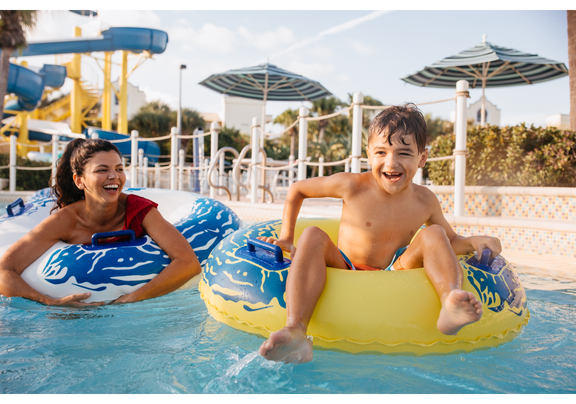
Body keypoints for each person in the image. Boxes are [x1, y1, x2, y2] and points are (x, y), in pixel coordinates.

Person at [257, 104, 502, 364]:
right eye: (381, 152)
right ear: (369, 155)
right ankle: (296, 329)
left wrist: (474, 241)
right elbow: (297, 189)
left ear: (422, 158)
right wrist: (286, 237)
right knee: (312, 235)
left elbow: (449, 241)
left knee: (435, 233)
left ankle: (449, 301)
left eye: (404, 153)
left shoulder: (425, 200)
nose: (391, 163)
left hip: (395, 269)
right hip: (346, 266)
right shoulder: (351, 185)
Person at [0, 138, 200, 306]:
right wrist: (48, 301)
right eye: (102, 170)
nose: (114, 176)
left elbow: (188, 262)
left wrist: (132, 298)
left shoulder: (140, 209)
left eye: (119, 169)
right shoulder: (65, 221)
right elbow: (4, 269)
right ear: (80, 181)